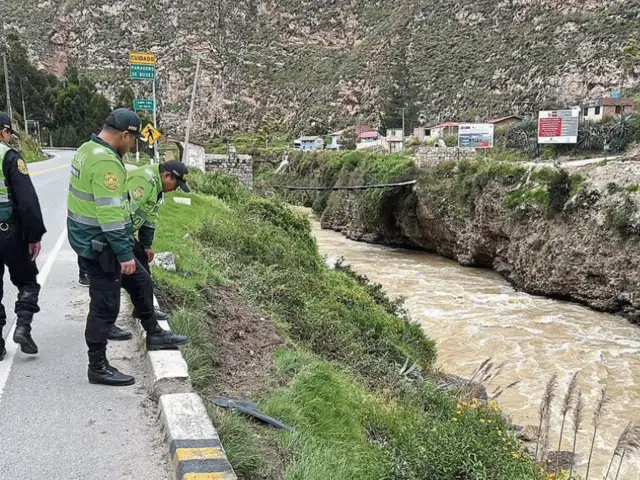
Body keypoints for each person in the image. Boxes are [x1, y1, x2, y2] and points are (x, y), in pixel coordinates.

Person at [67, 108, 188, 386]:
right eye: (132, 140)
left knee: (140, 282)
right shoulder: (106, 163)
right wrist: (124, 253)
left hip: (95, 238)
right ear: (124, 135)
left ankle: (154, 331)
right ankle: (97, 366)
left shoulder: (87, 149)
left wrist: (135, 247)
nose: (132, 145)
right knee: (105, 307)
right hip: (100, 244)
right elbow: (110, 214)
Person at [0, 113, 46, 361]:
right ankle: (22, 327)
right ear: (3, 132)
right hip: (9, 232)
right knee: (28, 283)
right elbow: (27, 201)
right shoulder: (9, 156)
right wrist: (34, 236)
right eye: (8, 133)